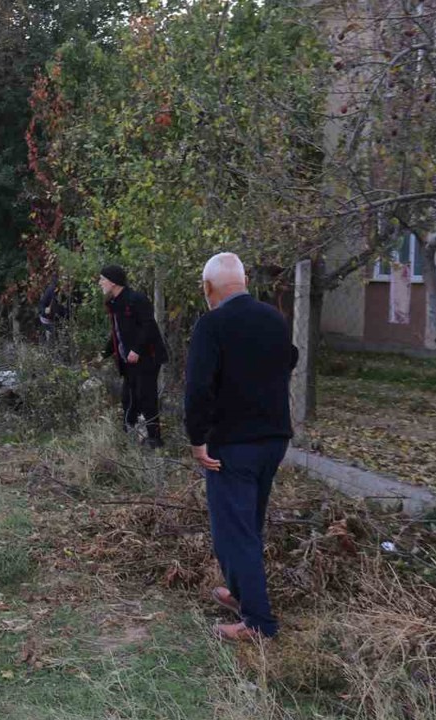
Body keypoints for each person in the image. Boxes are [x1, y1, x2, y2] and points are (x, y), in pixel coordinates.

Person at [184, 252, 298, 642]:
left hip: (232, 445)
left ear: (208, 288)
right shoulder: (274, 319)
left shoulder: (212, 325)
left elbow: (198, 389)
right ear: (244, 283)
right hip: (274, 440)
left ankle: (259, 624)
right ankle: (239, 595)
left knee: (235, 532)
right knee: (248, 524)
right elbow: (291, 359)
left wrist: (197, 440)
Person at [97, 265, 167, 448]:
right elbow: (117, 333)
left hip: (147, 358)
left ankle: (155, 439)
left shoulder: (136, 299)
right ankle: (129, 436)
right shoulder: (114, 303)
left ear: (112, 282)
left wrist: (136, 349)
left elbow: (148, 326)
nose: (100, 283)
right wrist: (103, 354)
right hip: (128, 362)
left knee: (146, 397)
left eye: (102, 279)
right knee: (128, 398)